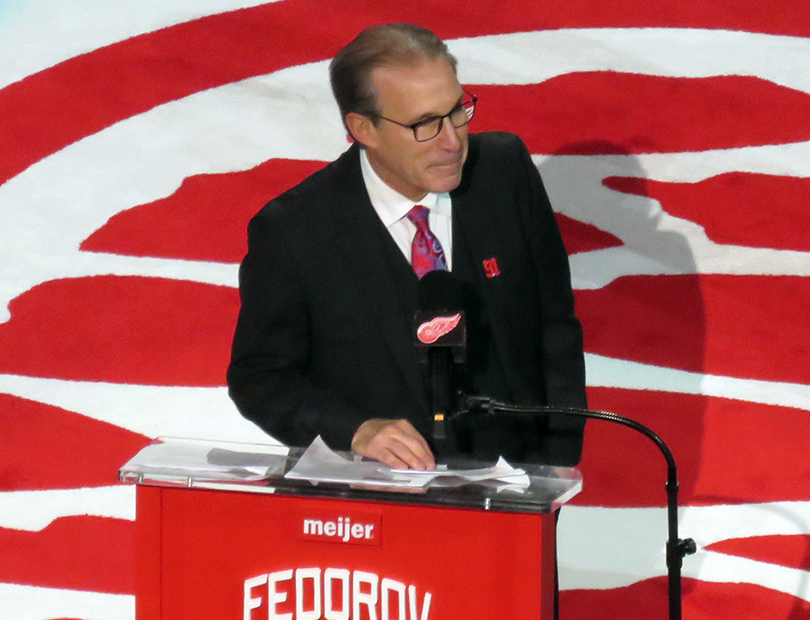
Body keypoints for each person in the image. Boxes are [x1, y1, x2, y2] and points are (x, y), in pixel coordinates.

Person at [227, 23, 587, 471]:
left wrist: (557, 460)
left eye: (457, 111)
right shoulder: (296, 231)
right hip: (376, 491)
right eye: (425, 124)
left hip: (516, 483)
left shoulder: (503, 172)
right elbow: (261, 379)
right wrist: (356, 430)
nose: (452, 141)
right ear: (364, 129)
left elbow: (555, 325)